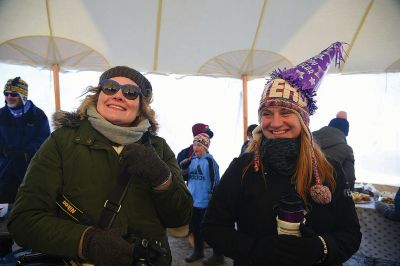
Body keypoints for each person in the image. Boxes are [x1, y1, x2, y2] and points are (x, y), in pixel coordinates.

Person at [7, 66, 193, 266]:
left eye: (130, 92)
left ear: (141, 105)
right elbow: (24, 220)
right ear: (98, 95)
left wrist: (162, 179)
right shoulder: (62, 142)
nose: (118, 95)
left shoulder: (159, 148)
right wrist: (86, 242)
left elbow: (179, 218)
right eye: (111, 88)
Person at [202, 42, 361, 265]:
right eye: (267, 113)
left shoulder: (329, 170)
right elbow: (213, 227)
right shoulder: (243, 167)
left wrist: (320, 248)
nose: (275, 123)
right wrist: (256, 249)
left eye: (285, 112)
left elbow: (351, 234)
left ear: (303, 120)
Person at [0, 77, 50, 259]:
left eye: (13, 93)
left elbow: (44, 139)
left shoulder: (37, 115)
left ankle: (31, 252)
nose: (9, 97)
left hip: (30, 171)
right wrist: (4, 150)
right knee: (3, 211)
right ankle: (4, 250)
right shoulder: (1, 115)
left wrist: (25, 151)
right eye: (6, 93)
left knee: (30, 208)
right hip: (5, 173)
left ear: (23, 95)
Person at [185, 133, 224, 266]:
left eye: (199, 145)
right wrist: (183, 168)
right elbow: (185, 178)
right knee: (195, 229)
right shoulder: (192, 160)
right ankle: (198, 251)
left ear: (205, 147)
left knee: (210, 230)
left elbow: (216, 182)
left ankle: (218, 255)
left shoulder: (210, 161)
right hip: (193, 201)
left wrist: (213, 199)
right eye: (194, 144)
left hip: (206, 202)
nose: (196, 147)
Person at [313, 110, 356, 190]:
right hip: (327, 196)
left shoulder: (307, 138)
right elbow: (349, 179)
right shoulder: (346, 149)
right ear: (345, 133)